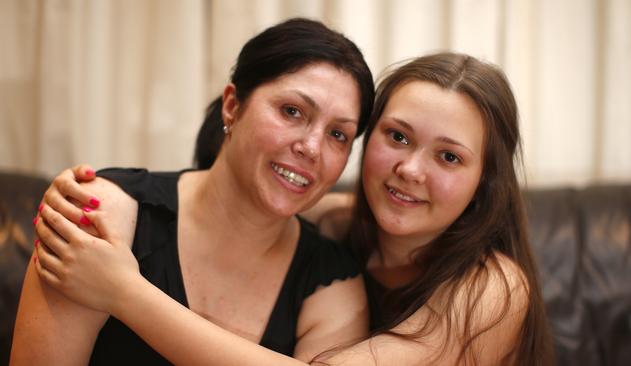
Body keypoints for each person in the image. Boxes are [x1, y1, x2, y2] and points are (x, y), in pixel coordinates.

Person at [26, 53, 555, 365]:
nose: (411, 170)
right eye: (397, 136)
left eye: (448, 156)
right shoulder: (334, 225)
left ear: (484, 180)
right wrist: (86, 190)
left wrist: (122, 290)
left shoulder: (494, 288)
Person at [10, 18, 376, 365]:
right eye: (292, 111)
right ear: (232, 106)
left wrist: (123, 291)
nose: (312, 147)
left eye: (338, 134)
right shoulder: (103, 213)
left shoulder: (333, 282)